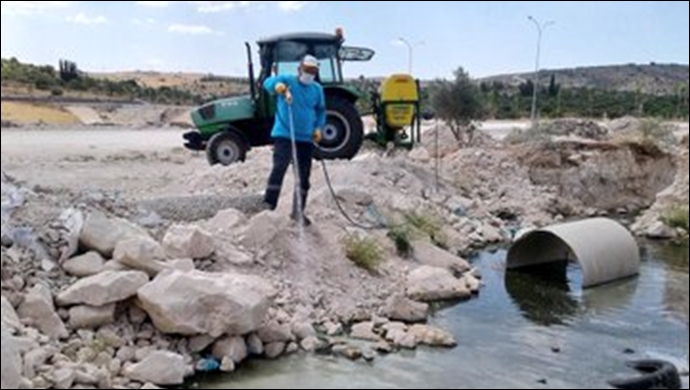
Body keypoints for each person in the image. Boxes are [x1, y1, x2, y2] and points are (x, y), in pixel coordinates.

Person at [262, 55, 326, 226]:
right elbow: (267, 83)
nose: (309, 74)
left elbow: (320, 111)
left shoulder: (317, 89)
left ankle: (298, 212)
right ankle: (268, 205)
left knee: (304, 176)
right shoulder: (287, 81)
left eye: (313, 71)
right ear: (299, 69)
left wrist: (318, 127)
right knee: (279, 168)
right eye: (307, 71)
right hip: (285, 135)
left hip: (306, 139)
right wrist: (277, 86)